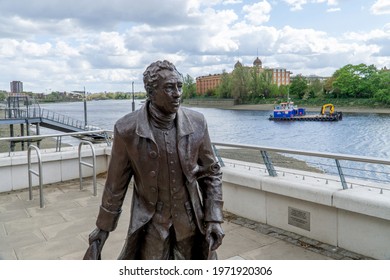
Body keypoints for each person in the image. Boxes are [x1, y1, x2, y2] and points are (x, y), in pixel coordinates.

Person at [85, 60, 224, 260]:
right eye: (169, 88)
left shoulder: (198, 123)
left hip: (190, 224)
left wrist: (214, 218)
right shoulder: (127, 129)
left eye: (179, 86)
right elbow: (115, 186)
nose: (177, 93)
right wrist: (103, 228)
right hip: (151, 227)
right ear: (151, 92)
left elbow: (211, 173)